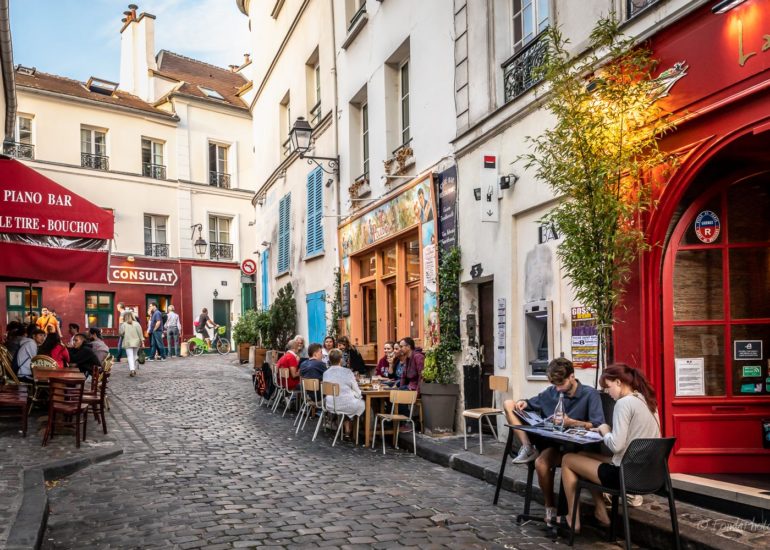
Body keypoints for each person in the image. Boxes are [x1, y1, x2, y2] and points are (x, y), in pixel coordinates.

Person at [502, 358, 605, 525]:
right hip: (555, 445)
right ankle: (550, 506)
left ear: (572, 376)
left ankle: (573, 517)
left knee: (566, 460)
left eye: (561, 384)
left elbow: (598, 425)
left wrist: (572, 422)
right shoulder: (552, 392)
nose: (558, 389)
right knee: (541, 463)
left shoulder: (589, 394)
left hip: (577, 450)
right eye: (554, 385)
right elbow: (532, 402)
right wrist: (524, 403)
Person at [561, 364, 661, 534]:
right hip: (647, 473)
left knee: (568, 459)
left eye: (608, 387)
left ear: (618, 382)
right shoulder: (645, 400)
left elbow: (616, 445)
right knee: (583, 455)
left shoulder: (623, 403)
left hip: (624, 475)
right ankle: (601, 512)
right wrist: (605, 432)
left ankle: (573, 519)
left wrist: (605, 430)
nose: (607, 392)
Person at [322, 348, 365, 438]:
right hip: (345, 404)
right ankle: (362, 432)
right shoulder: (347, 372)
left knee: (346, 401)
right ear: (341, 359)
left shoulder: (325, 373)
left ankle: (347, 429)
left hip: (330, 404)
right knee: (362, 403)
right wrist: (358, 395)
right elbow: (357, 391)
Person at [120, 312, 144, 377]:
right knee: (134, 355)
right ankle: (134, 368)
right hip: (136, 342)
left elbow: (121, 333)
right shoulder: (137, 324)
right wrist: (142, 342)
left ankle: (132, 370)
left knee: (130, 356)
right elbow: (140, 334)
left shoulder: (123, 324)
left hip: (128, 342)